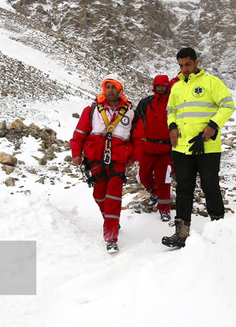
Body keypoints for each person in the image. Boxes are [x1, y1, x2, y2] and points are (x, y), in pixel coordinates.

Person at [162, 47, 235, 248]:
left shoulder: (212, 82)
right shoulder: (176, 87)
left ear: (196, 62)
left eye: (188, 64)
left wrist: (213, 125)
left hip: (207, 147)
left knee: (210, 186)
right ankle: (181, 233)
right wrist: (173, 126)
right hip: (181, 149)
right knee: (184, 189)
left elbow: (228, 105)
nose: (184, 69)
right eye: (181, 65)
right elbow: (171, 110)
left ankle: (219, 229)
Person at [71, 75, 137, 253]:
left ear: (120, 90)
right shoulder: (91, 110)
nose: (110, 90)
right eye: (107, 87)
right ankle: (111, 219)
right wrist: (76, 153)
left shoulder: (130, 112)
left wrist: (134, 156)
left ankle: (111, 237)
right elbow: (79, 133)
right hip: (95, 159)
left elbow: (138, 138)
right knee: (99, 195)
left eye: (113, 87)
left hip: (118, 161)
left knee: (113, 197)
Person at [133, 74, 173, 222]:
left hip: (165, 148)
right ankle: (154, 193)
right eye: (158, 86)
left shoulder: (172, 102)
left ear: (167, 86)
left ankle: (164, 209)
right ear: (154, 87)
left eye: (163, 85)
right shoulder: (146, 103)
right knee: (143, 176)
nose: (160, 88)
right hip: (148, 147)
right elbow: (135, 121)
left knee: (164, 180)